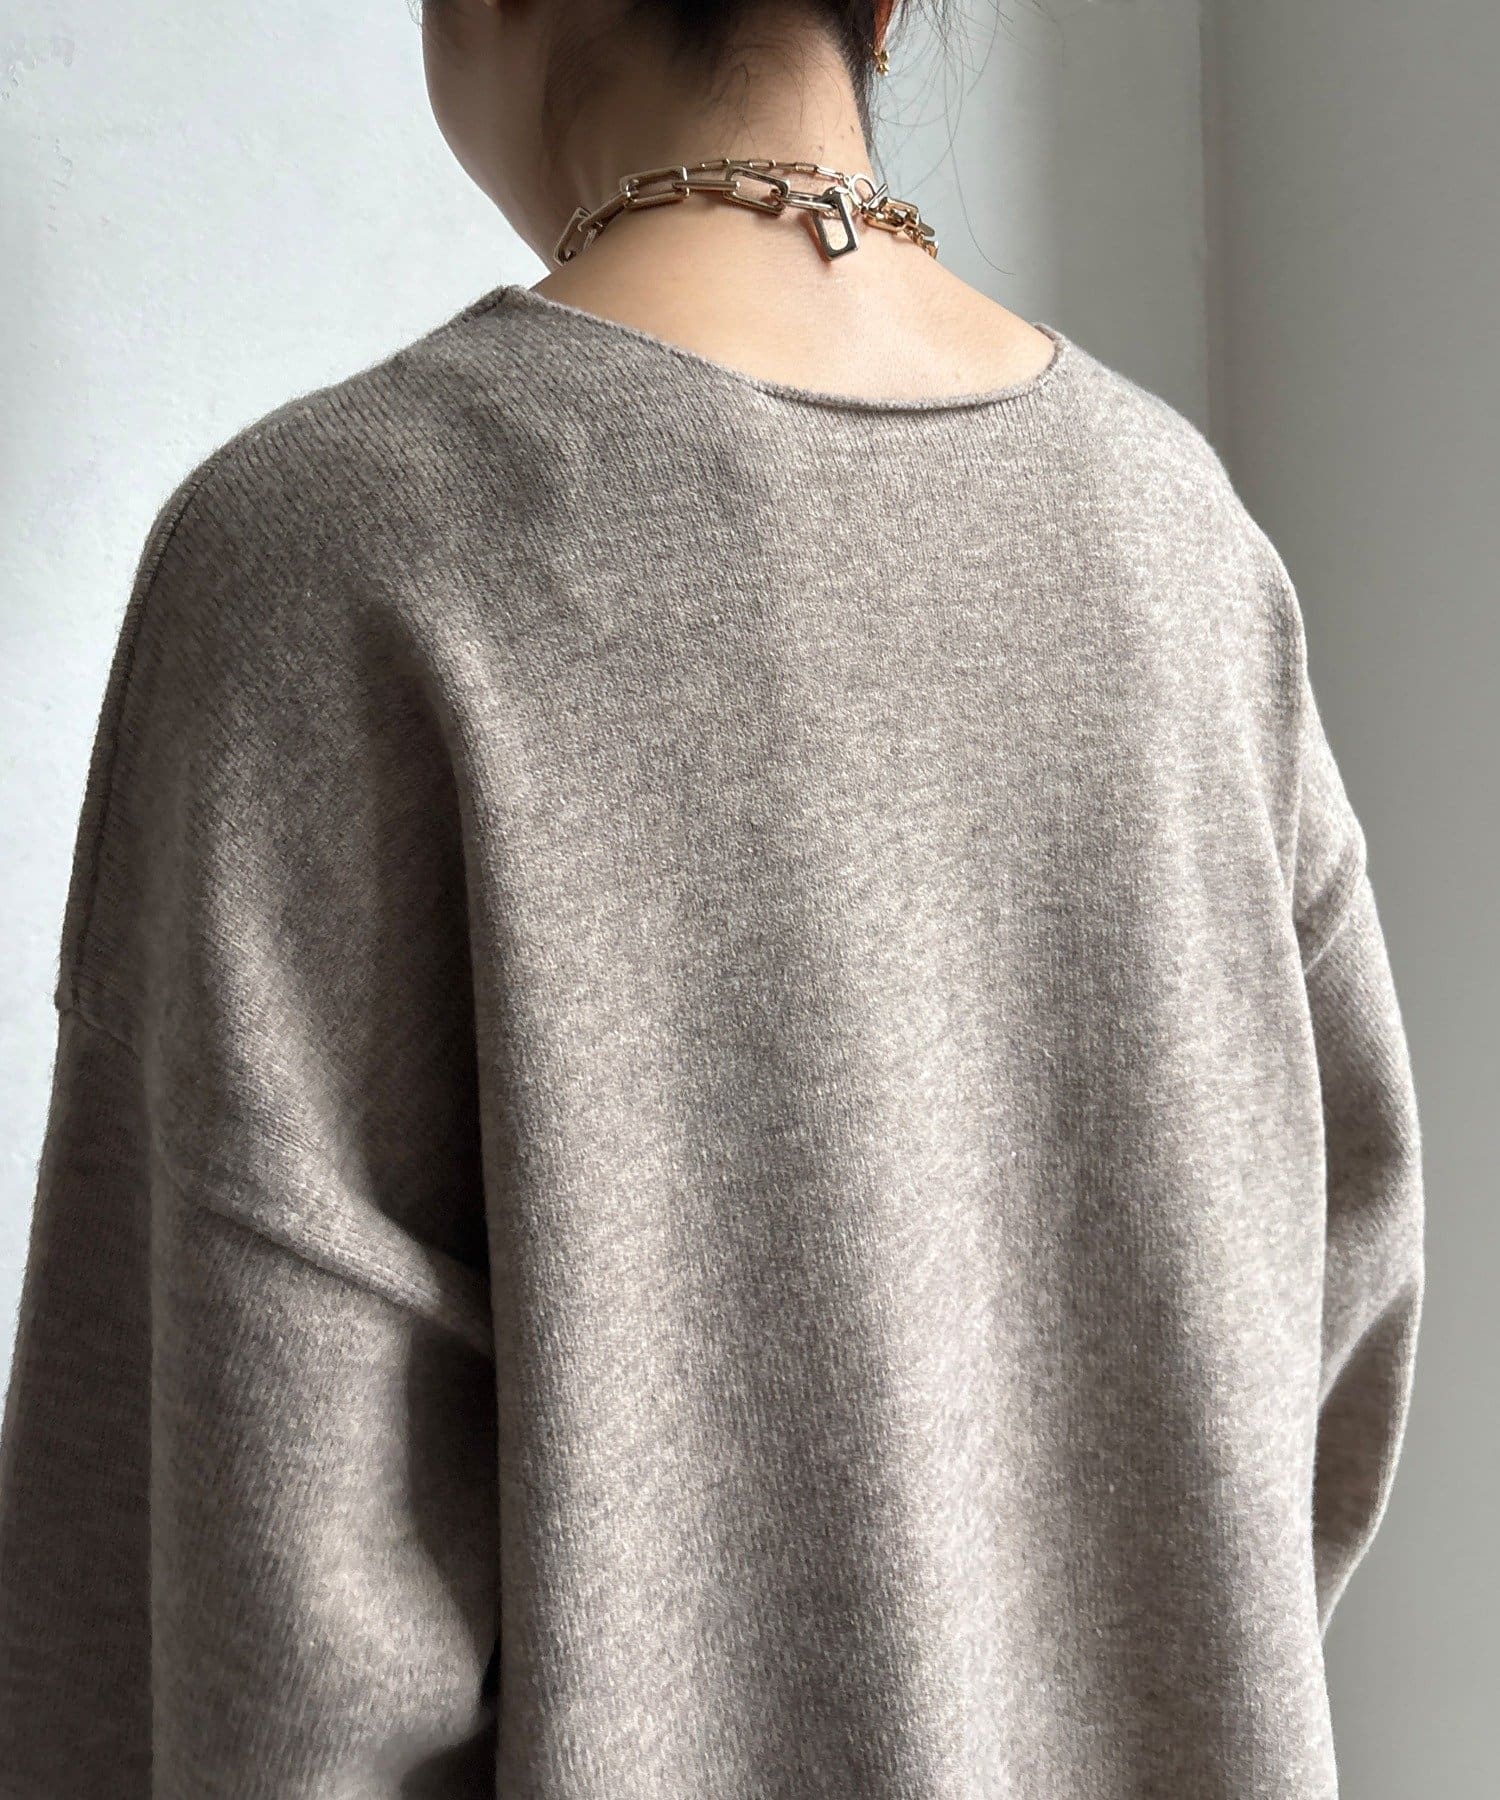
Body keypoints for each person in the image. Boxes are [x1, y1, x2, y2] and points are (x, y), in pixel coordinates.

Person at [0, 1, 1424, 1794]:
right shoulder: (1187, 552)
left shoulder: (322, 567)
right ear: (886, 8)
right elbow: (1331, 1332)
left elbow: (260, 1615)